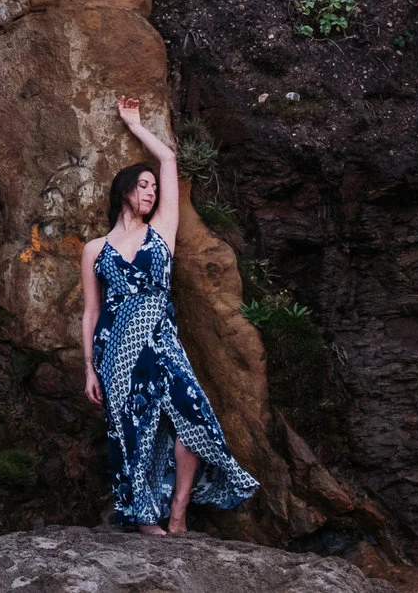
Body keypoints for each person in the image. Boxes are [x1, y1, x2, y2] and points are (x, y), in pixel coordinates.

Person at [79, 95, 259, 534]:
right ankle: (144, 518)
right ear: (124, 190)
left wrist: (135, 125)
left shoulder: (162, 230)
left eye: (154, 188)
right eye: (144, 186)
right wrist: (89, 369)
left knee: (193, 418)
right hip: (115, 351)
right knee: (130, 432)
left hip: (162, 342)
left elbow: (168, 160)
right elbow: (91, 311)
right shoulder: (95, 249)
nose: (151, 192)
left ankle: (178, 510)